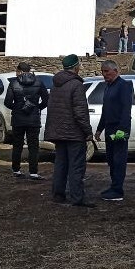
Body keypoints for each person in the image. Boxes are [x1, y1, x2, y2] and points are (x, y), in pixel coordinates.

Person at [45, 54, 95, 208]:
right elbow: (80, 112)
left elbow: (52, 108)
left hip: (59, 132)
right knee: (76, 166)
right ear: (76, 67)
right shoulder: (76, 85)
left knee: (61, 165)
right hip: (74, 133)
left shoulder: (56, 84)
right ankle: (77, 197)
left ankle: (58, 195)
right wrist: (88, 131)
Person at [95, 60, 134, 202]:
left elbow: (126, 111)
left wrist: (121, 131)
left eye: (106, 71)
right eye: (102, 72)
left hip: (120, 128)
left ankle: (118, 190)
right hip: (109, 128)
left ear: (115, 71)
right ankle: (114, 186)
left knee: (118, 160)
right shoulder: (108, 87)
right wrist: (99, 129)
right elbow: (105, 110)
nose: (104, 74)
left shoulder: (123, 86)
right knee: (111, 159)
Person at [3, 62, 48, 180]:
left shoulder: (14, 83)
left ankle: (16, 170)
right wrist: (37, 108)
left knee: (17, 145)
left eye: (16, 71)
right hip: (33, 119)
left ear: (20, 71)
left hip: (18, 119)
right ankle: (33, 172)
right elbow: (46, 100)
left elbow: (7, 102)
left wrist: (17, 108)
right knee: (33, 146)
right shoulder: (39, 82)